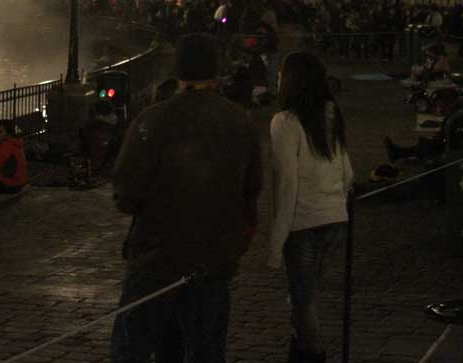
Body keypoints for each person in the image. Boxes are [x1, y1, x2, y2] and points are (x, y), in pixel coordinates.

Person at [110, 33, 262, 362]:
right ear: (216, 69)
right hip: (215, 254)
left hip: (158, 253)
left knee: (132, 346)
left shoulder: (154, 119)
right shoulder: (239, 121)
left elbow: (126, 191)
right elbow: (252, 187)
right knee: (206, 349)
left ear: (177, 69)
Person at [269, 52, 353, 363]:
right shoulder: (331, 113)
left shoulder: (284, 123)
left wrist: (275, 243)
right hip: (335, 219)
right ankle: (301, 351)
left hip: (303, 222)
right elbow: (348, 172)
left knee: (303, 301)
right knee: (306, 295)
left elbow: (287, 185)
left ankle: (314, 353)